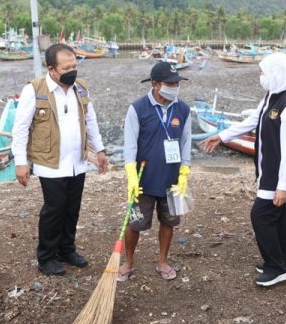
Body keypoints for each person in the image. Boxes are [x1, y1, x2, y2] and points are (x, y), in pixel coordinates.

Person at [201, 53, 286, 287]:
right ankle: (282, 262)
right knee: (277, 216)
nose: (261, 77)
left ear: (277, 74)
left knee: (260, 215)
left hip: (280, 174)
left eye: (264, 73)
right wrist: (222, 136)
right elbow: (252, 121)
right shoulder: (272, 95)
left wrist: (283, 186)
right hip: (270, 169)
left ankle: (276, 267)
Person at [11, 43, 108, 276]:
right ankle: (46, 257)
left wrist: (100, 150)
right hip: (50, 163)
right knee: (54, 210)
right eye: (66, 68)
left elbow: (91, 121)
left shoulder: (80, 88)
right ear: (52, 69)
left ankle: (67, 249)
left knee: (72, 209)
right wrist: (20, 162)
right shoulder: (34, 90)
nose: (72, 71)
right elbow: (21, 128)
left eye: (74, 65)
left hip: (78, 162)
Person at [119, 62, 192, 281]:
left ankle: (162, 260)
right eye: (170, 83)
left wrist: (184, 173)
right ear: (155, 84)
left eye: (177, 83)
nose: (175, 87)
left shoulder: (183, 109)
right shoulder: (138, 108)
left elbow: (186, 142)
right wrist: (131, 176)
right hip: (143, 180)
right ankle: (129, 261)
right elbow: (130, 145)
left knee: (169, 222)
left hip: (172, 179)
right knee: (135, 223)